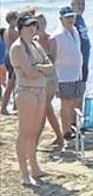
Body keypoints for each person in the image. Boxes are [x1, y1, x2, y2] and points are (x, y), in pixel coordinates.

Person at [9, 14, 54, 185]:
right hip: (26, 92)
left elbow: (49, 67)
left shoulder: (35, 44)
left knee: (34, 131)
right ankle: (24, 173)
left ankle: (35, 168)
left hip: (39, 90)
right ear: (21, 28)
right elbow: (29, 73)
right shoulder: (18, 47)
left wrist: (40, 68)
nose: (32, 28)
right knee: (24, 132)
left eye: (34, 25)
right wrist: (40, 69)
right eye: (28, 26)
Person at [50, 6, 84, 140]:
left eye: (72, 16)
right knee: (66, 103)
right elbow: (52, 58)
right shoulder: (57, 35)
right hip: (64, 75)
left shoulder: (75, 31)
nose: (70, 19)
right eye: (68, 17)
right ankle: (66, 130)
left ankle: (73, 126)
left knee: (76, 102)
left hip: (77, 73)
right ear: (61, 19)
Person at [34, 13, 63, 146]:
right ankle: (59, 136)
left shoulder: (51, 39)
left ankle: (35, 140)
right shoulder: (33, 40)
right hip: (38, 79)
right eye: (37, 23)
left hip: (50, 78)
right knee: (47, 109)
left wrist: (39, 65)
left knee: (44, 107)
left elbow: (53, 61)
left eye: (42, 22)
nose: (40, 25)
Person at [1, 10, 19, 115]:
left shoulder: (6, 31)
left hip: (8, 56)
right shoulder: (13, 31)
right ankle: (5, 107)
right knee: (11, 83)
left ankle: (15, 106)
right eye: (16, 19)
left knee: (13, 83)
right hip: (12, 57)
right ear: (12, 20)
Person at [70, 0, 90, 87]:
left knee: (83, 85)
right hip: (77, 62)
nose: (81, 6)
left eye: (83, 4)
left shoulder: (81, 19)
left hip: (85, 59)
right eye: (78, 4)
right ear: (72, 5)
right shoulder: (72, 20)